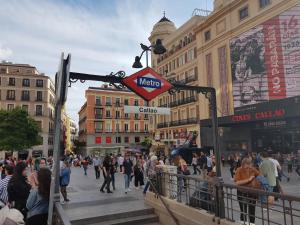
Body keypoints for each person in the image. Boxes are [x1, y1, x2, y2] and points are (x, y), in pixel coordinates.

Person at [235, 157, 260, 225]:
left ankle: (252, 224)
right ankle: (244, 223)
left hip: (252, 193)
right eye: (247, 165)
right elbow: (237, 183)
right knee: (243, 211)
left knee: (252, 211)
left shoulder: (252, 169)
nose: (248, 167)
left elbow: (260, 176)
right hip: (242, 192)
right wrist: (249, 180)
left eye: (250, 165)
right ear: (243, 164)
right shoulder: (239, 170)